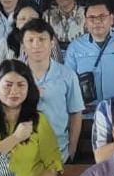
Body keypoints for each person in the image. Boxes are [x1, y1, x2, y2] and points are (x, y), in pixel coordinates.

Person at [18, 19, 84, 162]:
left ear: (52, 43)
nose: (36, 45)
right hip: (21, 153)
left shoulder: (67, 75)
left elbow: (76, 113)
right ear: (23, 46)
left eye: (42, 39)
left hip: (59, 153)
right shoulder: (15, 75)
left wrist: (71, 150)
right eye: (30, 40)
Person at [64, 0, 114, 104]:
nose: (97, 21)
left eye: (102, 17)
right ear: (86, 22)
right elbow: (68, 81)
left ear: (111, 19)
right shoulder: (75, 47)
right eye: (92, 18)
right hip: (88, 109)